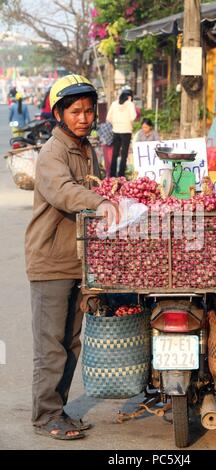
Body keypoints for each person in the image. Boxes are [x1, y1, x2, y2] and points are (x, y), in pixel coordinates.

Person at [25, 74, 119, 440]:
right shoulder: (53, 152)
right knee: (51, 346)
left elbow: (98, 188)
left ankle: (57, 410)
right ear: (59, 114)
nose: (83, 117)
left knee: (71, 342)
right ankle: (45, 415)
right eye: (75, 111)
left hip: (79, 261)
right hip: (51, 261)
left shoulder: (86, 149)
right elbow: (64, 192)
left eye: (88, 111)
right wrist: (100, 201)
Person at [106, 89, 137, 177]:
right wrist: (130, 102)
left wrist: (115, 123)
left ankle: (112, 174)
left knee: (115, 154)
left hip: (116, 131)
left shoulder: (114, 104)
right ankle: (121, 175)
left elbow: (108, 117)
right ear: (130, 97)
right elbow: (133, 117)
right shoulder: (130, 104)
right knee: (124, 155)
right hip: (126, 132)